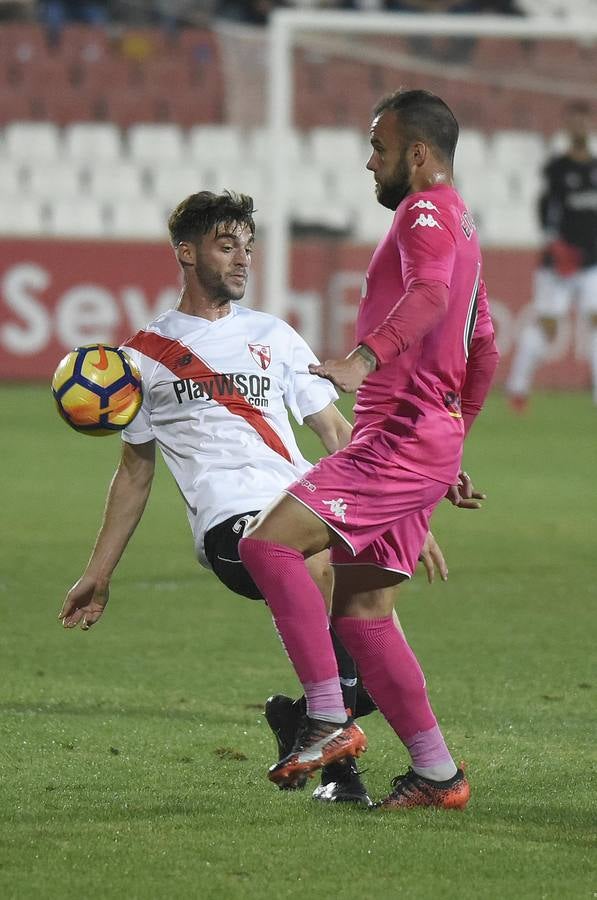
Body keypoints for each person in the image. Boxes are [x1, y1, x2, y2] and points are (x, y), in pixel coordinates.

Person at [57, 189, 452, 807]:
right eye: (225, 245)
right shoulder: (141, 359)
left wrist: (396, 507)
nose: (243, 258)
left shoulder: (275, 335)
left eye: (248, 245)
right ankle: (330, 742)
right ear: (186, 253)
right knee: (326, 581)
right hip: (231, 525)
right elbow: (134, 473)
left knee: (375, 635)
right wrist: (98, 573)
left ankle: (316, 740)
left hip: (307, 504)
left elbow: (335, 434)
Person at [239, 89, 499, 810]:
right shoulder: (462, 226)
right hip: (423, 439)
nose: (368, 161)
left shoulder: (422, 211)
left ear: (416, 155)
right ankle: (438, 773)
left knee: (268, 546)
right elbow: (483, 345)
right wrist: (451, 440)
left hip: (397, 437)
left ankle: (324, 717)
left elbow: (428, 301)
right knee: (362, 612)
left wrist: (363, 358)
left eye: (378, 148)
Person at [506, 100, 597, 411]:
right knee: (548, 326)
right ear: (568, 126)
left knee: (596, 320)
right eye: (575, 120)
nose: (580, 126)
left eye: (585, 120)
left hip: (592, 263)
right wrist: (555, 245)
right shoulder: (556, 169)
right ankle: (517, 387)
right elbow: (545, 210)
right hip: (559, 264)